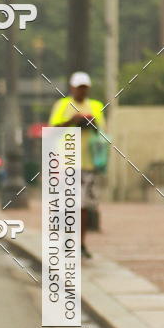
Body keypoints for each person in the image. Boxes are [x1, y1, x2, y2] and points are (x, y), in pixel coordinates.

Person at [48, 71, 105, 258]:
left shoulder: (95, 106)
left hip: (87, 163)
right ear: (72, 88)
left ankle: (80, 243)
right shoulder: (62, 105)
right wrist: (72, 121)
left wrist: (91, 122)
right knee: (67, 205)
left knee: (84, 206)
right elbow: (52, 130)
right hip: (66, 163)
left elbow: (102, 132)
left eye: (85, 88)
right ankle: (66, 240)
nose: (82, 91)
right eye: (79, 87)